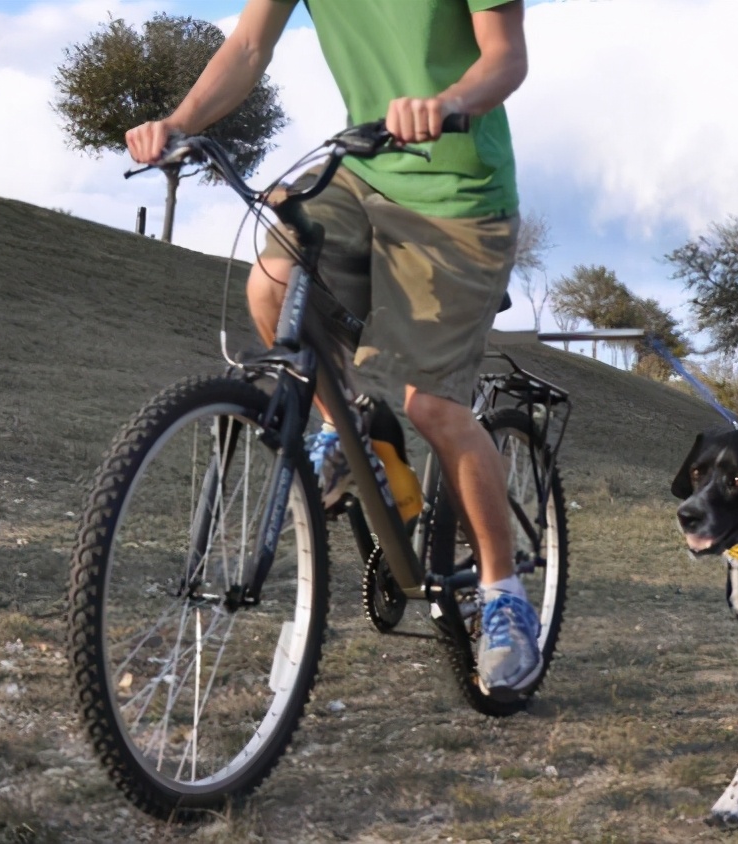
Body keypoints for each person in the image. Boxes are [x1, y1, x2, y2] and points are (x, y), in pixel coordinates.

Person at [126, 0, 537, 700]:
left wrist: (445, 103)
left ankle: (504, 597)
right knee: (272, 281)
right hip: (366, 168)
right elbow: (250, 46)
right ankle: (345, 427)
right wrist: (179, 122)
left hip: (460, 196)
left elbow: (506, 56)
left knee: (433, 407)